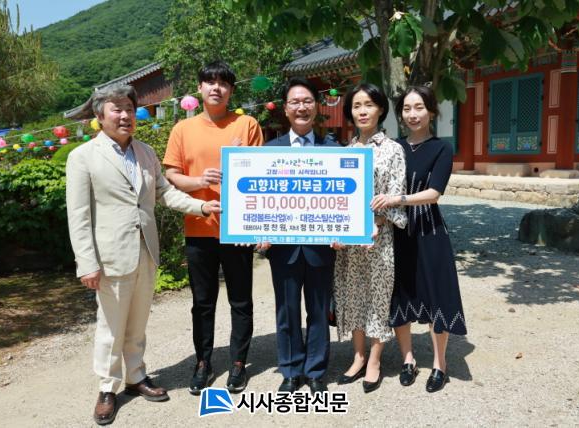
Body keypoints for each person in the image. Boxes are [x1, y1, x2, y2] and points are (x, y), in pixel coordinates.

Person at [66, 85, 221, 425]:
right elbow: (78, 216)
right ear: (100, 115)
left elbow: (165, 192)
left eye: (128, 108)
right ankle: (107, 387)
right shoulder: (83, 156)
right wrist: (86, 263)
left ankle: (135, 376)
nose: (125, 115)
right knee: (111, 326)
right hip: (109, 256)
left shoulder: (145, 152)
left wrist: (201, 206)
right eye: (116, 109)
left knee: (137, 322)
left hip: (146, 251)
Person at [163, 60, 263, 395]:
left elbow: (261, 173)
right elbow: (171, 175)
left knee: (240, 300)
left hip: (238, 229)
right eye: (210, 81)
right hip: (198, 227)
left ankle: (238, 363)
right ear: (200, 88)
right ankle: (203, 362)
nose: (216, 88)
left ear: (231, 90)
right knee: (202, 302)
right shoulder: (182, 129)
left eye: (223, 83)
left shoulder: (247, 124)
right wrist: (199, 181)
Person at [375, 85, 467, 393]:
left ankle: (440, 364)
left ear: (431, 111)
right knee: (400, 293)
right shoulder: (394, 148)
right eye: (406, 109)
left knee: (436, 293)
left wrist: (397, 199)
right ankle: (408, 359)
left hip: (429, 231)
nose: (412, 114)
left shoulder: (442, 148)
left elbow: (434, 193)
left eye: (419, 108)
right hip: (398, 231)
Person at [259, 77, 339, 394]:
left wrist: (345, 231)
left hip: (321, 248)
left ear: (316, 107)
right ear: (285, 109)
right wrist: (259, 233)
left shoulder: (333, 150)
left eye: (307, 101)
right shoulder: (268, 151)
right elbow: (260, 199)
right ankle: (291, 370)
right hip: (283, 249)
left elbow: (343, 200)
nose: (301, 107)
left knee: (318, 311)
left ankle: (316, 370)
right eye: (295, 102)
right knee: (287, 312)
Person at [331, 83, 407, 393]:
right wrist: (335, 231)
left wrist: (377, 221)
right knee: (352, 295)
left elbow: (397, 196)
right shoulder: (344, 153)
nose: (362, 111)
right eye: (356, 106)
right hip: (349, 242)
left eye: (369, 105)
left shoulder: (393, 150)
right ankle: (358, 356)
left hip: (378, 237)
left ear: (380, 109)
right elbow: (335, 200)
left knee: (377, 297)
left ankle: (374, 360)